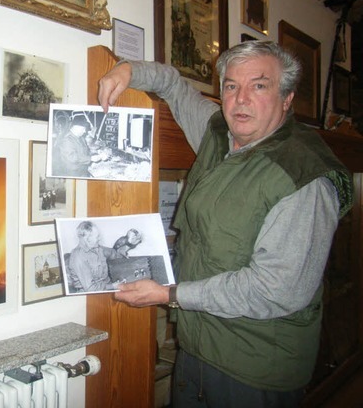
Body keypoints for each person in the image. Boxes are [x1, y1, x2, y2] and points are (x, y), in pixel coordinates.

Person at [97, 40, 353, 407]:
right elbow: (172, 84)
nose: (241, 99)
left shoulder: (304, 176)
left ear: (287, 98)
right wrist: (129, 71)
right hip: (197, 347)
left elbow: (274, 291)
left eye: (259, 86)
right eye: (232, 86)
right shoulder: (218, 131)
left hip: (254, 368)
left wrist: (170, 295)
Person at [67, 220, 124, 292]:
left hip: (108, 288)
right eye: (97, 236)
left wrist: (122, 253)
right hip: (92, 294)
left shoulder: (97, 248)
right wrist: (113, 286)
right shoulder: (78, 257)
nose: (99, 238)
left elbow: (112, 253)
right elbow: (90, 288)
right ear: (88, 239)